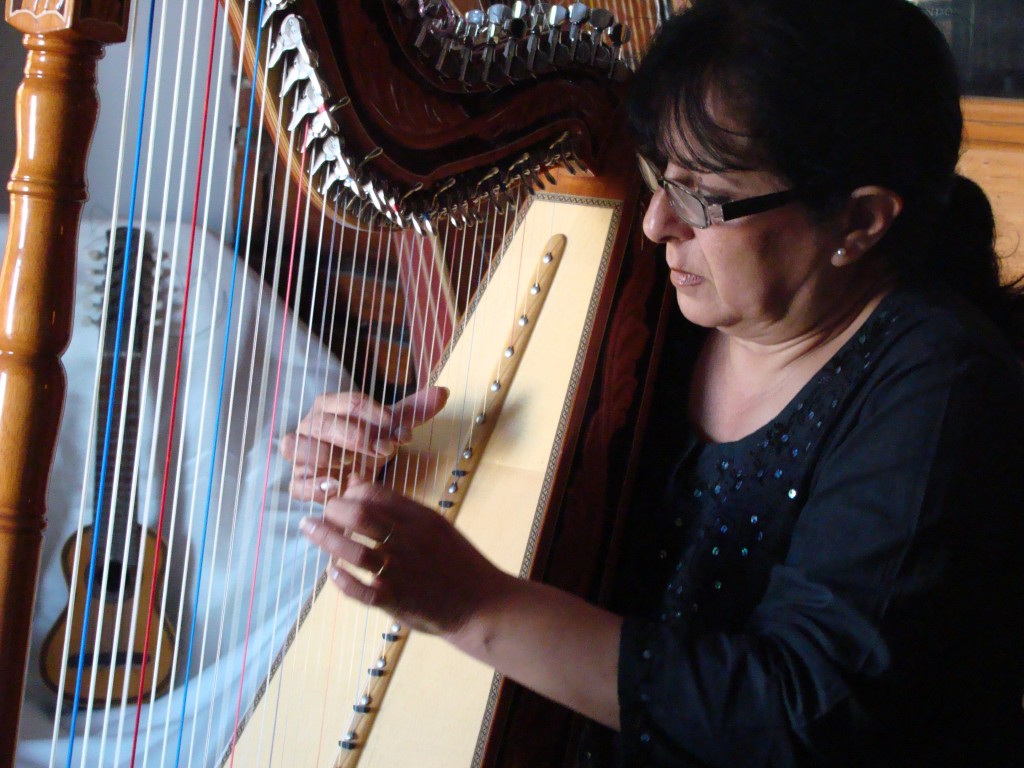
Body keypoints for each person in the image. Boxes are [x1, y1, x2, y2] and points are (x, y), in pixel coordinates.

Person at [283, 0, 1024, 765]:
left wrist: (476, 607)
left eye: (703, 196)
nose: (657, 222)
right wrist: (394, 465)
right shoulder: (649, 308)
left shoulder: (943, 391)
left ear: (859, 222)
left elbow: (795, 711)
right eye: (656, 177)